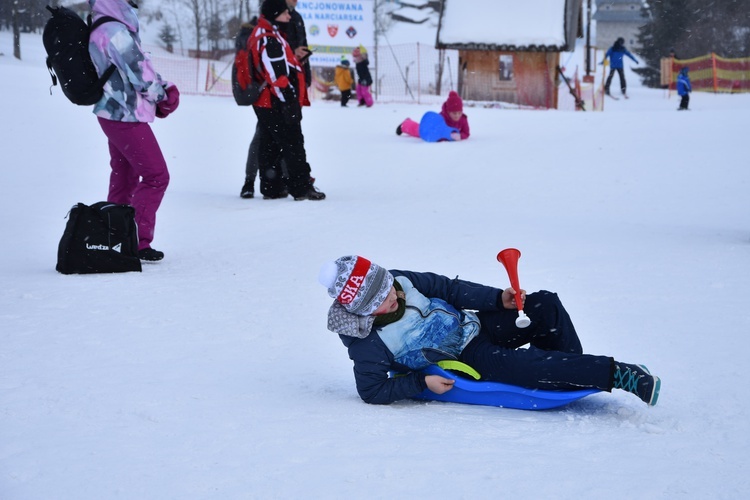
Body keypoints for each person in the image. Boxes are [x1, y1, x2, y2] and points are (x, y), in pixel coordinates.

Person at [318, 255, 661, 407]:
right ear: (360, 309)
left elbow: (449, 290)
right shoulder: (367, 342)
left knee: (544, 304)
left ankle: (569, 368)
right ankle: (617, 375)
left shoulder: (400, 280)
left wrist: (499, 299)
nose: (392, 295)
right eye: (380, 299)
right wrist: (422, 383)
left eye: (389, 287)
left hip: (475, 325)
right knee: (524, 367)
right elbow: (372, 390)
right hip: (466, 359)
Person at [88, 0, 179, 261]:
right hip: (123, 115)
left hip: (113, 112)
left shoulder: (103, 23)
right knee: (157, 176)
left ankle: (115, 236)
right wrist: (164, 95)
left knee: (125, 176)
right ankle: (136, 241)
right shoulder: (114, 31)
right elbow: (140, 73)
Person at [249, 0, 325, 201]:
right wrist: (290, 101)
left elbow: (279, 67)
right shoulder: (269, 38)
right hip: (275, 101)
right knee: (293, 142)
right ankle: (301, 188)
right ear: (275, 14)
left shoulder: (267, 33)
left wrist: (296, 61)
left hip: (266, 101)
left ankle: (272, 187)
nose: (288, 17)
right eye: (284, 14)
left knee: (270, 143)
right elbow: (277, 75)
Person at [396, 90, 470, 141]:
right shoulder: (442, 118)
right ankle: (406, 124)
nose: (457, 115)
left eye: (459, 112)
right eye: (454, 113)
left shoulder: (463, 119)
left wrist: (460, 136)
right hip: (432, 130)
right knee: (419, 131)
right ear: (448, 111)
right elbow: (435, 130)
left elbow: (466, 133)